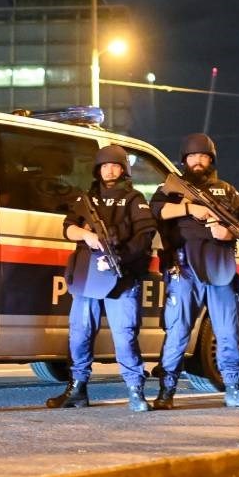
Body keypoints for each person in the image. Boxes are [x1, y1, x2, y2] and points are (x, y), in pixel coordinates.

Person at [150, 133, 239, 410]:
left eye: (204, 156)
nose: (198, 161)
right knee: (178, 330)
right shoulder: (173, 189)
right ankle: (166, 392)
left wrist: (230, 232)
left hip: (219, 265)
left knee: (227, 330)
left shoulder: (226, 189)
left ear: (211, 159)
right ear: (184, 159)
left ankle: (234, 388)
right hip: (184, 266)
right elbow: (155, 210)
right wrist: (189, 208)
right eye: (193, 156)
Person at [46, 144, 158, 411]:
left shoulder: (134, 199)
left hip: (121, 275)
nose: (110, 169)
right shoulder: (87, 199)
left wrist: (119, 257)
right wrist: (87, 235)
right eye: (105, 165)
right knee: (80, 333)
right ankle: (77, 389)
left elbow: (144, 237)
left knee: (125, 334)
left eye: (115, 165)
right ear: (98, 169)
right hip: (88, 274)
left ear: (123, 169)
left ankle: (135, 390)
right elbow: (68, 228)